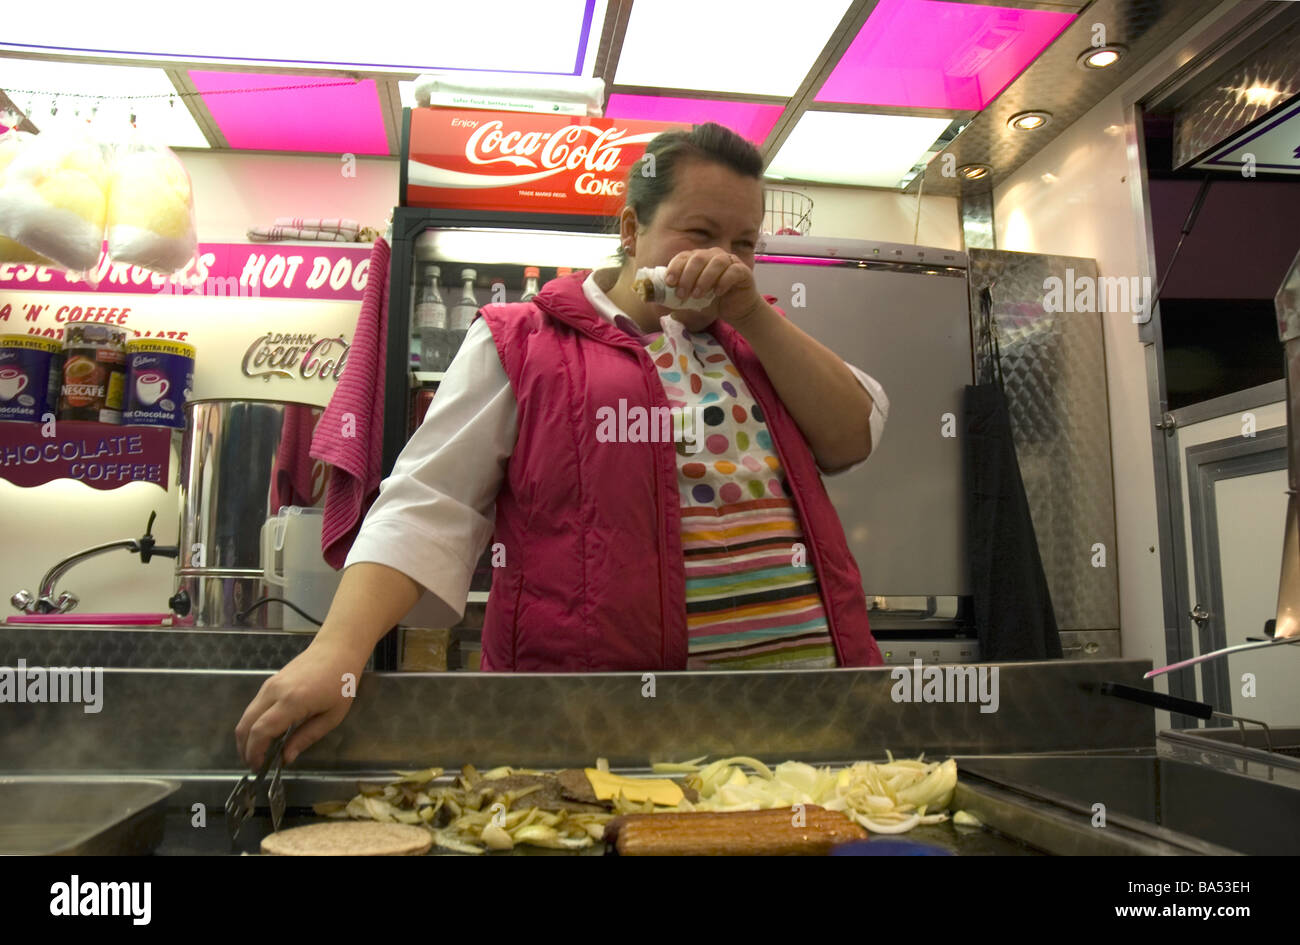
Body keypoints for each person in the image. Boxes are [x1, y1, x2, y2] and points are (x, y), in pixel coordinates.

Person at [236, 122, 888, 768]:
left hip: (807, 730)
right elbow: (426, 505)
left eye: (744, 242)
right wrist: (337, 652)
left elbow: (852, 434)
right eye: (701, 233)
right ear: (632, 231)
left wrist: (752, 313)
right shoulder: (524, 342)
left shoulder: (758, 340)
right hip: (612, 745)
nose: (724, 259)